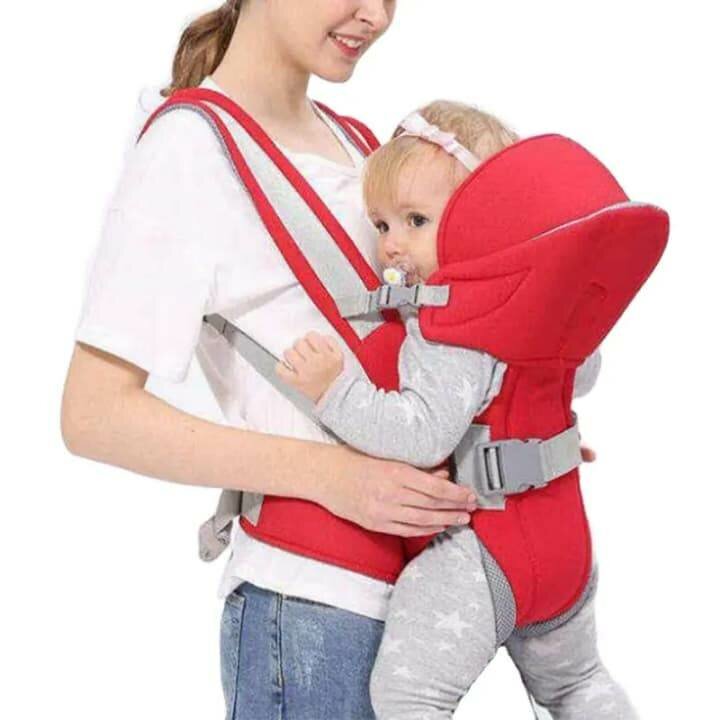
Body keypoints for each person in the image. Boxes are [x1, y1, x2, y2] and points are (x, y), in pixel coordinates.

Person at [60, 3, 482, 718]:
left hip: (410, 608)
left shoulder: (359, 145)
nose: (375, 15)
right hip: (310, 607)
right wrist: (332, 477)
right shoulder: (188, 149)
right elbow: (93, 416)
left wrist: (497, 429)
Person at [277, 101, 638, 719]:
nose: (392, 245)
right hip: (565, 543)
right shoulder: (547, 305)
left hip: (486, 551)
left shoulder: (453, 322)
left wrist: (333, 391)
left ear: (486, 219)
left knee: (408, 698)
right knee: (577, 684)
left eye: (415, 220)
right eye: (381, 224)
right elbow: (582, 375)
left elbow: (422, 434)